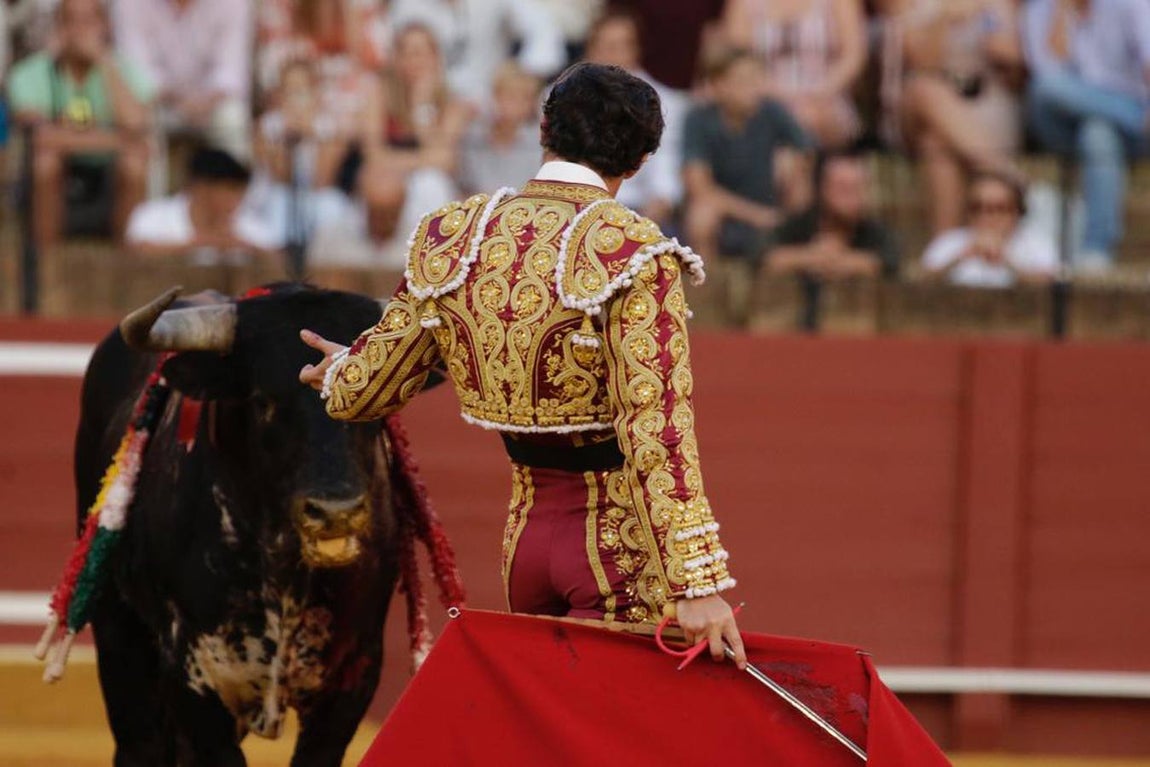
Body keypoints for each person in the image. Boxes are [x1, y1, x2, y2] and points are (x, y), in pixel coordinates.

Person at [300, 63, 745, 667]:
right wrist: (696, 583)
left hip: (525, 541)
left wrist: (340, 371)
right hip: (615, 550)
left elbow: (365, 390)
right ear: (640, 161)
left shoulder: (453, 234)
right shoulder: (634, 252)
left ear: (544, 129)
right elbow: (656, 427)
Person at [7, 0, 152, 251]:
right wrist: (118, 140)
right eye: (70, 21)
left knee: (134, 164)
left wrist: (103, 62)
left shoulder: (125, 70)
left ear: (105, 26)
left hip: (108, 176)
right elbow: (40, 138)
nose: (79, 30)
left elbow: (137, 123)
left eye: (88, 21)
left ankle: (126, 263)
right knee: (45, 162)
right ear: (58, 27)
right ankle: (46, 264)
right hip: (53, 181)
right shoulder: (30, 74)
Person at [683, 48, 814, 322]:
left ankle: (796, 295)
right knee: (701, 216)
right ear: (718, 86)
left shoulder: (772, 112)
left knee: (800, 183)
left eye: (757, 79)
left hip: (773, 211)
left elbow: (806, 150)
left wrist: (791, 166)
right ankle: (708, 300)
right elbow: (699, 186)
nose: (753, 88)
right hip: (731, 215)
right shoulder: (698, 119)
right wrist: (756, 215)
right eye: (743, 80)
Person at [1022, 0, 1150, 271]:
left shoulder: (1132, 4)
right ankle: (1133, 118)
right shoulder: (1038, 11)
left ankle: (1096, 250)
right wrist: (1061, 12)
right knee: (1048, 86)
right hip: (1062, 126)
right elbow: (1048, 76)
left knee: (1098, 134)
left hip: (1126, 129)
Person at [881, 0, 1025, 234]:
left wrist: (999, 46)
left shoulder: (1000, 5)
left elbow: (1017, 70)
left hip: (986, 104)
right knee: (926, 89)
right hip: (922, 106)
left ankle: (943, 249)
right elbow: (919, 62)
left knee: (936, 141)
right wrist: (945, 19)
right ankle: (1008, 176)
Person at [351, 22, 470, 267]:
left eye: (421, 53)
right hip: (384, 193)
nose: (414, 61)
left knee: (429, 183)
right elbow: (373, 156)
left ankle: (426, 265)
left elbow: (445, 163)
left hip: (430, 190)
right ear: (396, 58)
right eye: (407, 53)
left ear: (436, 57)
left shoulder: (453, 102)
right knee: (390, 184)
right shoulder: (379, 94)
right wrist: (423, 160)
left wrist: (421, 107)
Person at [112, 0, 253, 160]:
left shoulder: (233, 3)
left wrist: (206, 101)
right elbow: (135, 71)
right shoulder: (129, 4)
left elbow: (231, 70)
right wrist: (178, 100)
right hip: (160, 102)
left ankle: (233, 182)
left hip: (211, 103)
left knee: (232, 116)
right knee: (141, 119)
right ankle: (152, 185)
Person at [585, 8, 686, 228]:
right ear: (591, 50)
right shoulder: (558, 98)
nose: (615, 56)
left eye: (623, 46)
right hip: (579, 208)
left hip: (641, 211)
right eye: (607, 47)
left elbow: (665, 170)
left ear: (636, 49)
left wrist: (645, 221)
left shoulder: (664, 102)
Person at [721, 0, 868, 150]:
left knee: (811, 118)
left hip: (825, 97)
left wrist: (818, 93)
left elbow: (853, 57)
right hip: (762, 96)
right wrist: (779, 96)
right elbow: (737, 60)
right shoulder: (743, 4)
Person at [388, 0, 565, 106]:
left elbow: (544, 32)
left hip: (491, 107)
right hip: (433, 105)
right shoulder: (407, 5)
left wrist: (521, 77)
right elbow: (392, 56)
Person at [125, 147, 280, 261]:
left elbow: (277, 259)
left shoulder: (248, 223)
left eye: (239, 192)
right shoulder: (153, 214)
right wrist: (203, 242)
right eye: (229, 190)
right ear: (201, 188)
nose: (236, 200)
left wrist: (245, 246)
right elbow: (135, 251)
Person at [768, 150, 900, 279]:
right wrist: (810, 255)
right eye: (844, 190)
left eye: (858, 189)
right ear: (823, 191)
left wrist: (841, 260)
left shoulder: (874, 230)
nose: (853, 199)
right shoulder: (798, 224)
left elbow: (889, 262)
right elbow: (766, 256)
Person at [922, 172, 1058, 287]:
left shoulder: (1037, 243)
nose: (986, 216)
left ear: (1017, 211)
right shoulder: (950, 241)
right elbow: (917, 280)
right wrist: (956, 260)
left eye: (999, 208)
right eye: (977, 207)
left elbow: (1052, 283)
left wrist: (1007, 263)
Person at [458, 62, 543, 195]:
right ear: (494, 96)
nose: (514, 105)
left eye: (523, 98)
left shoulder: (540, 144)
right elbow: (463, 187)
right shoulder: (471, 138)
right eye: (509, 96)